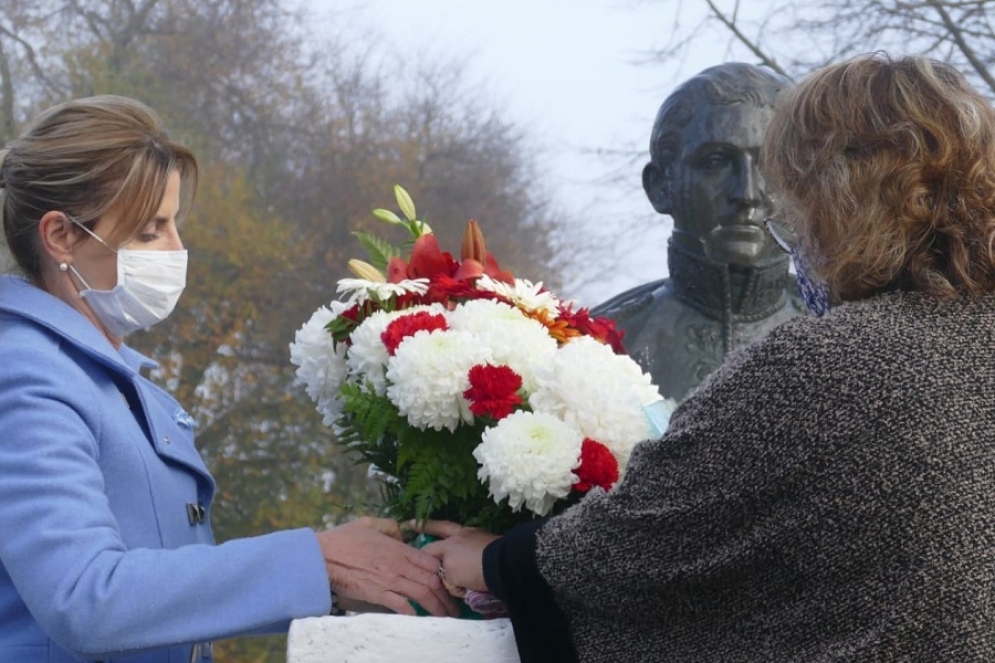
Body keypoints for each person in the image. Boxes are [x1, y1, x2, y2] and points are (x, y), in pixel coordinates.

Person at [421, 54, 995, 662]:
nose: (755, 201)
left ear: (835, 198)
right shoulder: (596, 337)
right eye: (719, 163)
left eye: (781, 182)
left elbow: (640, 540)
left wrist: (497, 562)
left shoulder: (823, 362)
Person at [0, 95, 458, 663]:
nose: (176, 250)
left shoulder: (118, 381)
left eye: (174, 225)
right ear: (61, 236)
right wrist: (317, 560)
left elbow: (170, 592)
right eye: (150, 231)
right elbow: (83, 595)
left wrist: (343, 565)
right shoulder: (25, 371)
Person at [592, 62, 804, 402]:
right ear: (661, 186)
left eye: (770, 166)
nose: (747, 194)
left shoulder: (849, 340)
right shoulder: (598, 347)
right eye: (716, 162)